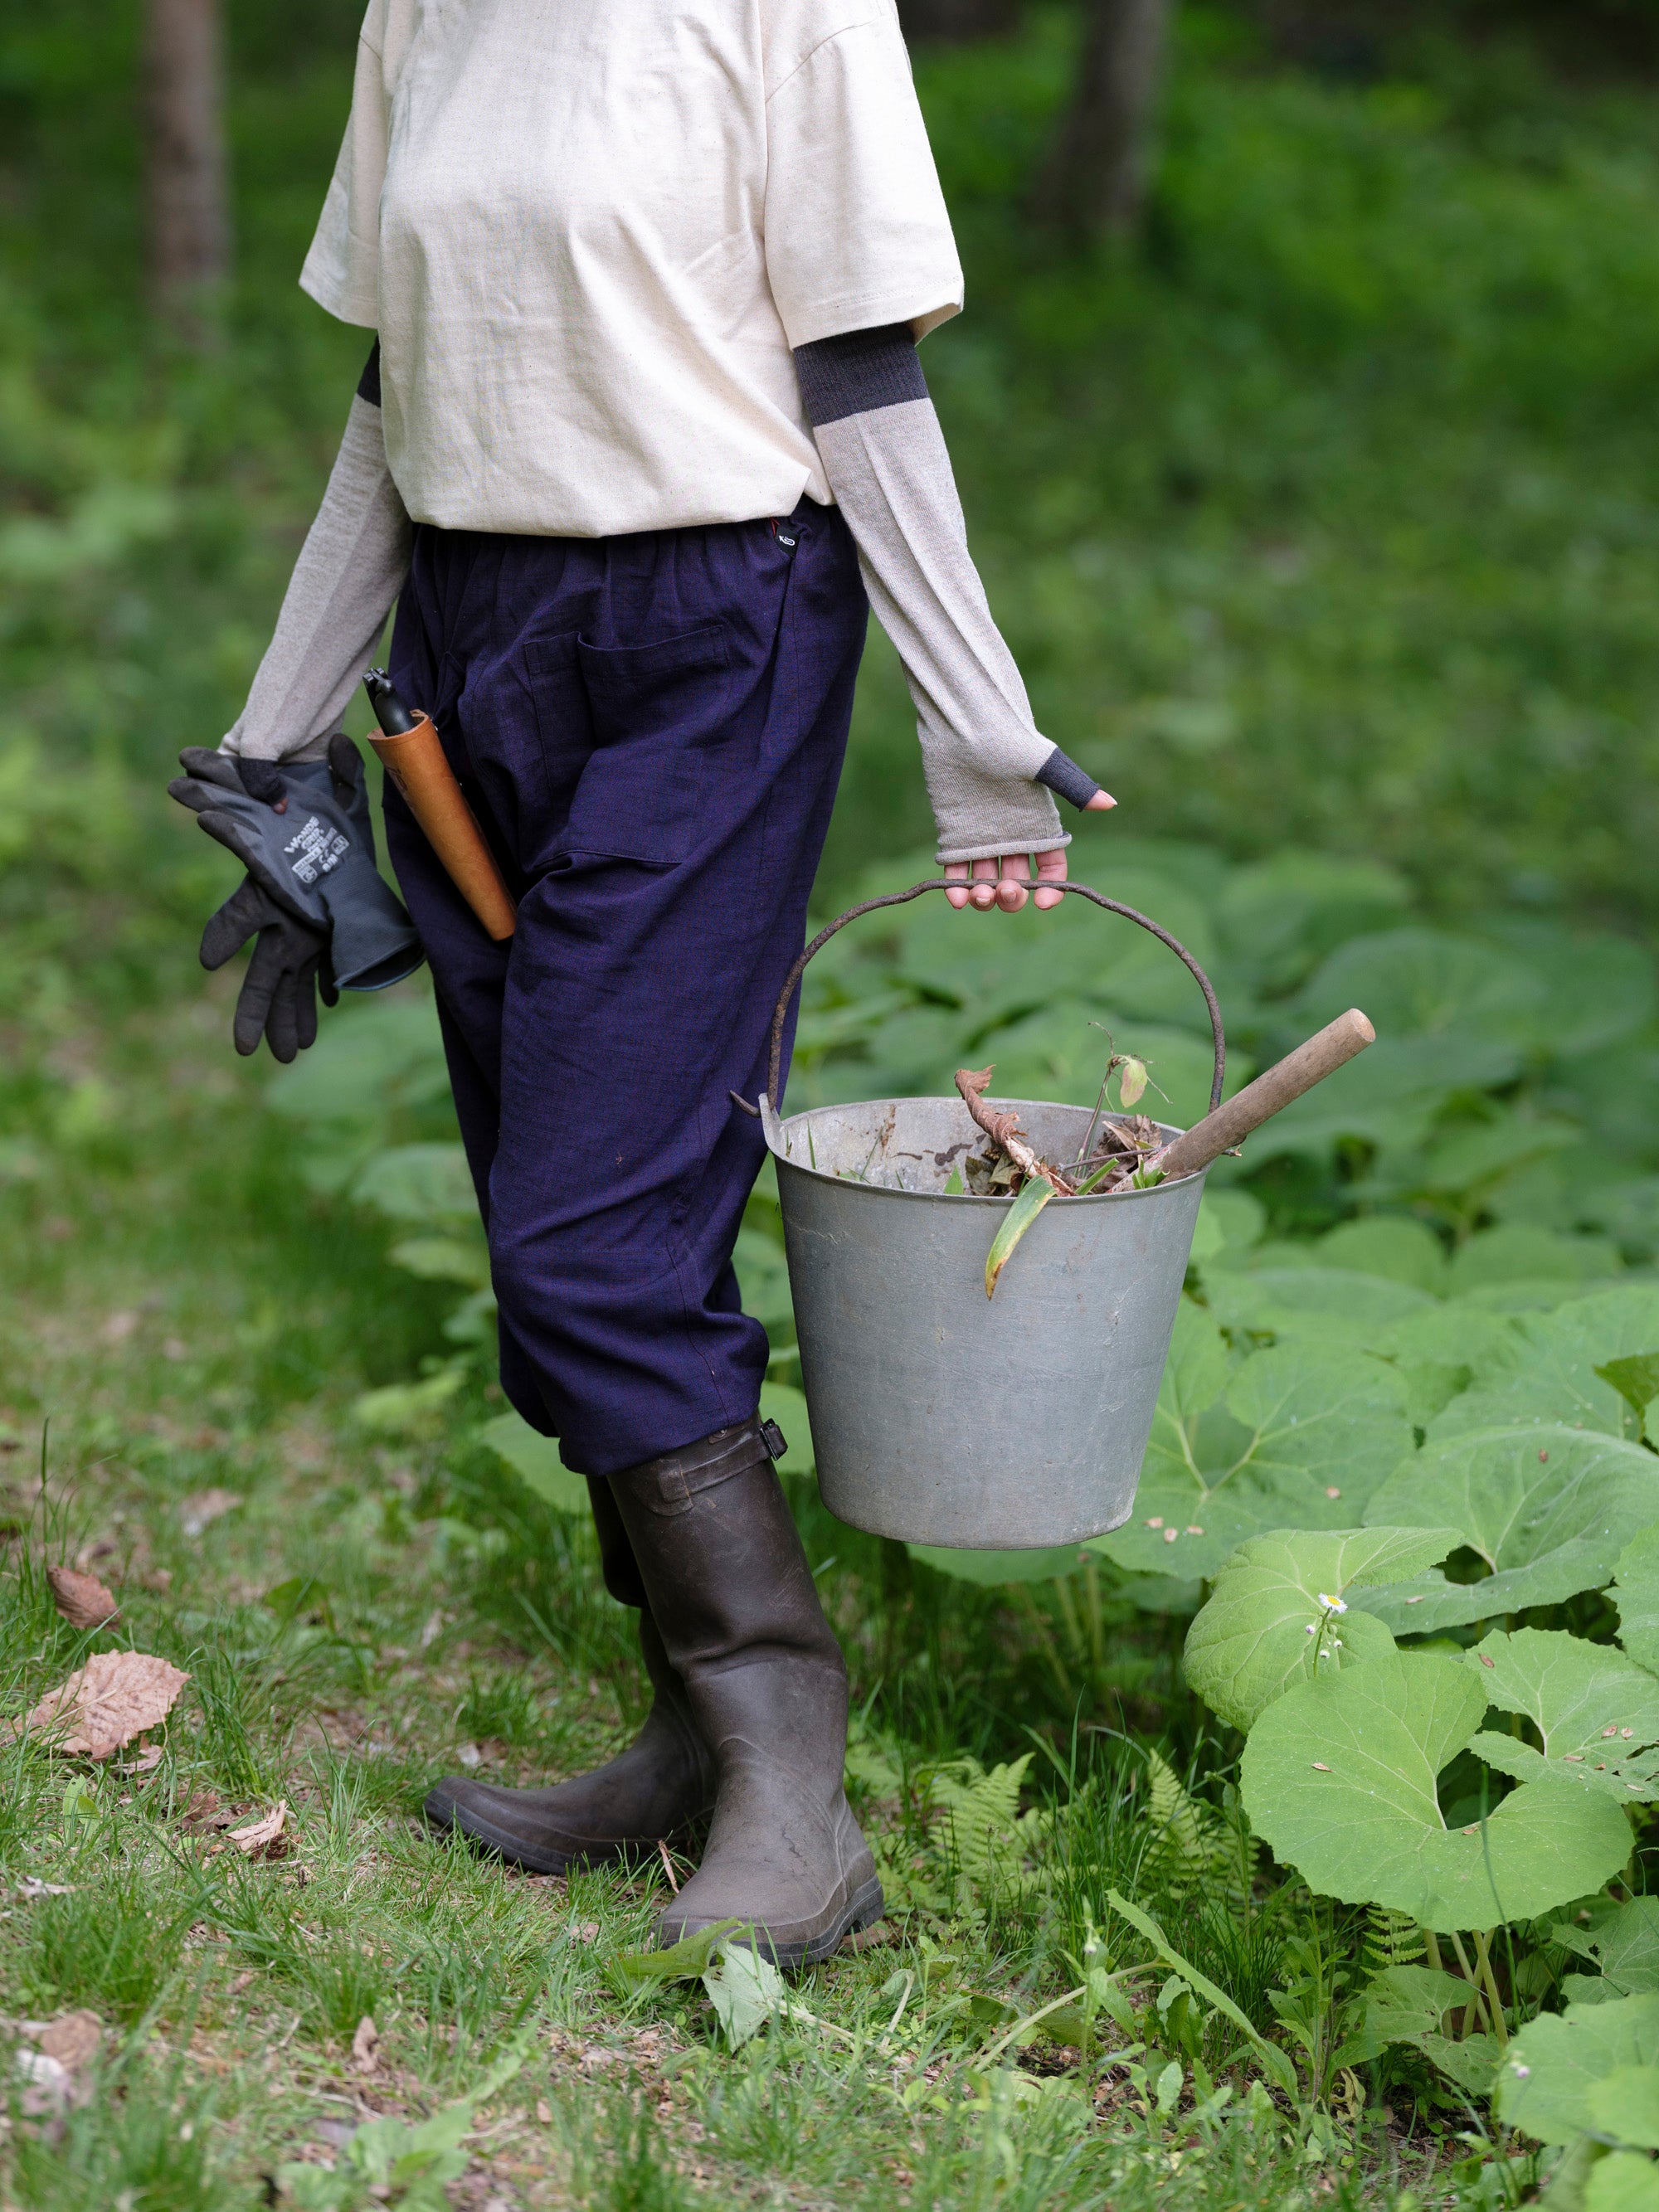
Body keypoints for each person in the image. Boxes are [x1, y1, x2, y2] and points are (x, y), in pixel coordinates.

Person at [170, 0, 1114, 1968]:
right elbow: (389, 398)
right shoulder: (418, 13)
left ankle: (795, 1776)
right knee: (567, 1217)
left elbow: (858, 378)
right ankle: (694, 1743)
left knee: (592, 1227)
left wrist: (975, 730)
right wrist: (273, 750)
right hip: (472, 634)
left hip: (717, 625)